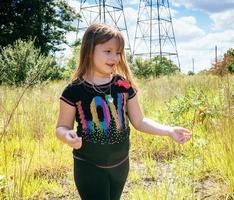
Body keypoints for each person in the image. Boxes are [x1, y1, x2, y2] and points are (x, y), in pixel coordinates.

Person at [55, 23, 192, 200]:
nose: (115, 57)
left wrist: (168, 130)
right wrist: (67, 136)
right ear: (89, 51)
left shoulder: (123, 86)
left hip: (120, 165)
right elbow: (61, 127)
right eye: (108, 51)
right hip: (88, 166)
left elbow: (140, 121)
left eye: (118, 52)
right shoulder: (74, 90)